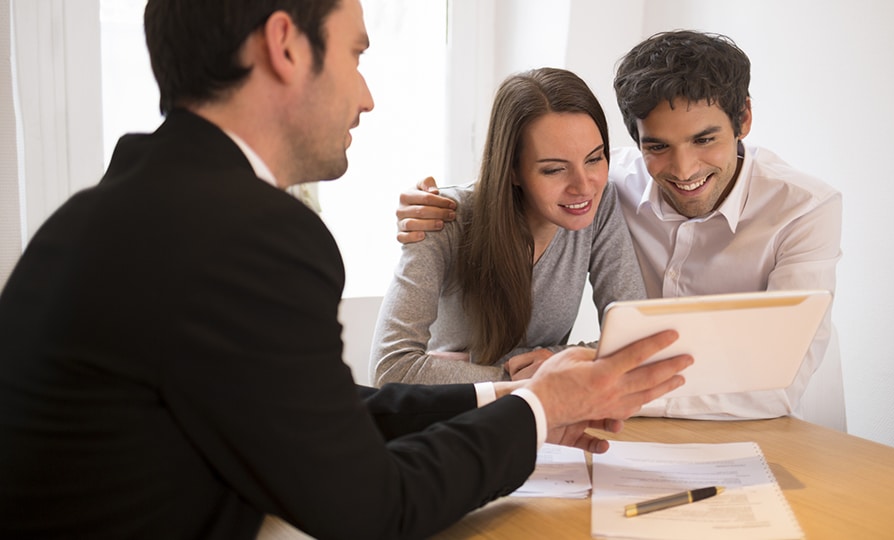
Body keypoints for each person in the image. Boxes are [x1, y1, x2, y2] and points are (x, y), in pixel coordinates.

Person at [0, 1, 694, 538]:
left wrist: (516, 399)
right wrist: (545, 408)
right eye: (356, 54)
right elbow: (373, 509)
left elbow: (330, 409)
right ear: (285, 45)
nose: (366, 96)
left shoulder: (120, 209)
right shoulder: (246, 234)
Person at [395, 30, 842, 421]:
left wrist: (579, 378)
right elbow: (517, 178)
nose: (684, 170)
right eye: (658, 146)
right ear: (635, 140)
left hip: (753, 421)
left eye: (705, 139)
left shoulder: (803, 210)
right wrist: (446, 207)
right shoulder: (607, 187)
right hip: (587, 419)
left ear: (742, 119)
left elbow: (774, 383)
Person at [371, 67, 645, 387]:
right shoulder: (442, 217)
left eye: (595, 159)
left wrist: (558, 360)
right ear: (512, 170)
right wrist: (529, 376)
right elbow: (390, 370)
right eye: (555, 170)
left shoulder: (602, 203)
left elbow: (635, 342)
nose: (584, 186)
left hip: (538, 415)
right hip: (456, 417)